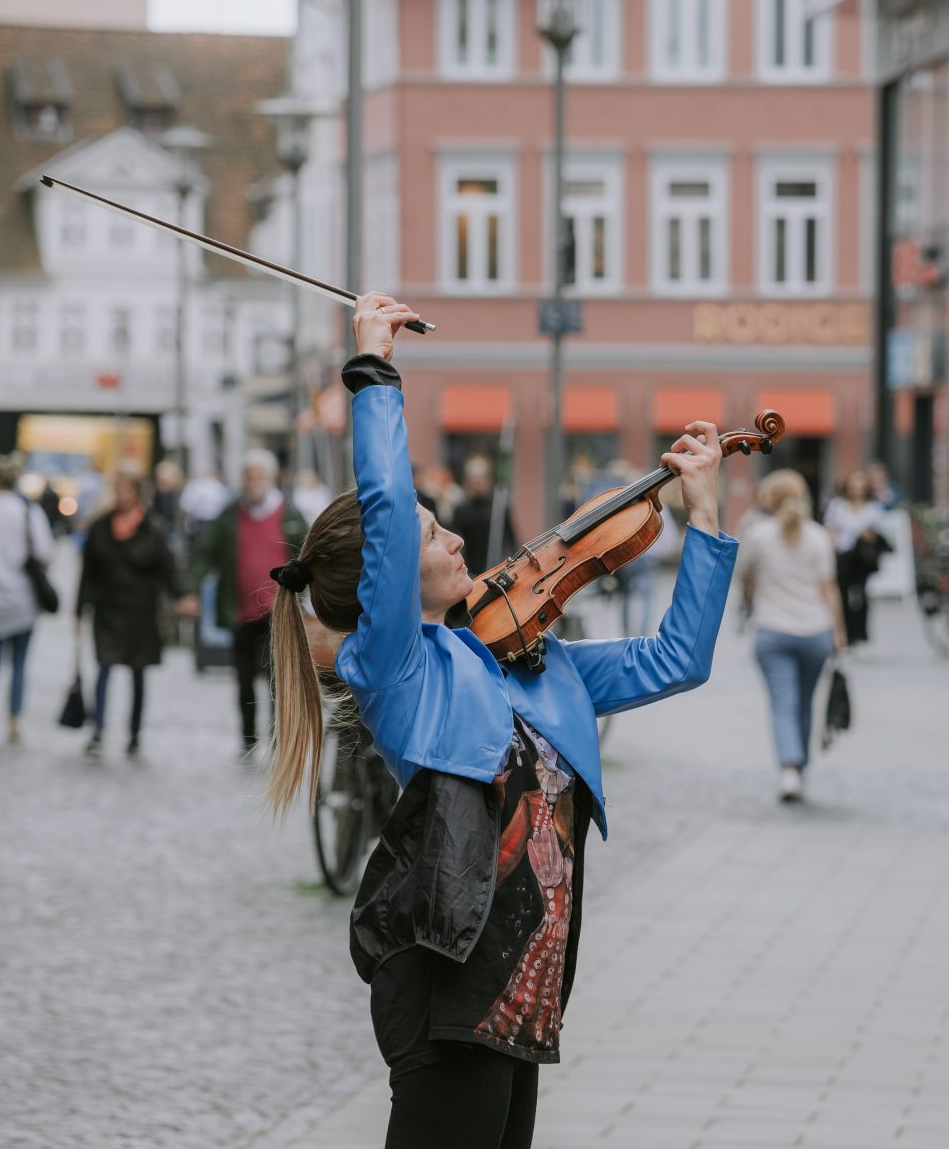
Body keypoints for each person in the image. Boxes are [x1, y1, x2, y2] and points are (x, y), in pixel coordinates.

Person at [264, 292, 738, 1149]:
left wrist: (703, 513)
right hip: (451, 996)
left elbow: (678, 658)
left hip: (525, 999)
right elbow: (387, 509)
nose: (455, 541)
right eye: (431, 535)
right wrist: (374, 370)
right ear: (386, 576)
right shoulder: (399, 672)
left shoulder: (535, 663)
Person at [184, 450, 307, 756]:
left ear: (269, 478)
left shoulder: (290, 514)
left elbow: (308, 556)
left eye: (255, 476)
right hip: (240, 609)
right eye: (246, 476)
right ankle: (248, 738)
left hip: (279, 611)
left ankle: (278, 739)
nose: (249, 482)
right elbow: (205, 554)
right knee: (243, 677)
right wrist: (190, 591)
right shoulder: (229, 515)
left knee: (278, 677)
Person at [742, 469, 848, 802]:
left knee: (783, 703)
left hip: (772, 630)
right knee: (804, 702)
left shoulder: (758, 535)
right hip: (815, 631)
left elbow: (746, 579)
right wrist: (839, 631)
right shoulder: (818, 536)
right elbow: (829, 588)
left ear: (770, 499)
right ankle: (800, 767)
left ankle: (789, 769)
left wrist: (749, 602)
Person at [77, 463, 185, 757]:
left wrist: (181, 596)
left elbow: (167, 567)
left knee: (138, 674)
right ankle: (98, 731)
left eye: (125, 488)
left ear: (137, 492)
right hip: (107, 610)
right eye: (117, 488)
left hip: (141, 612)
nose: (120, 494)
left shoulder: (152, 528)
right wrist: (79, 608)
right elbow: (87, 571)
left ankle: (134, 735)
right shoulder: (101, 527)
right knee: (103, 667)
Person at [0, 455, 53, 743]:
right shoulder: (28, 512)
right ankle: (14, 721)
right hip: (21, 599)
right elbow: (44, 552)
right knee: (19, 663)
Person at [824, 469, 893, 645]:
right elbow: (830, 528)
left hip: (861, 558)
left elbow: (876, 532)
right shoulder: (838, 505)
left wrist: (865, 534)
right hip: (841, 554)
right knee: (841, 592)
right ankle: (843, 629)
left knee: (860, 594)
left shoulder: (872, 508)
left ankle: (859, 632)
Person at [450, 455, 514, 577]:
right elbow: (454, 538)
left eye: (481, 479)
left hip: (495, 567)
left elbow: (511, 540)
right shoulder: (461, 509)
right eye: (474, 480)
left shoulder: (498, 508)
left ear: (488, 481)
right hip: (468, 569)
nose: (477, 483)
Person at [179, 468, 231, 541]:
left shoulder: (194, 485)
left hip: (200, 522)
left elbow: (186, 506)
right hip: (212, 521)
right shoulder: (219, 486)